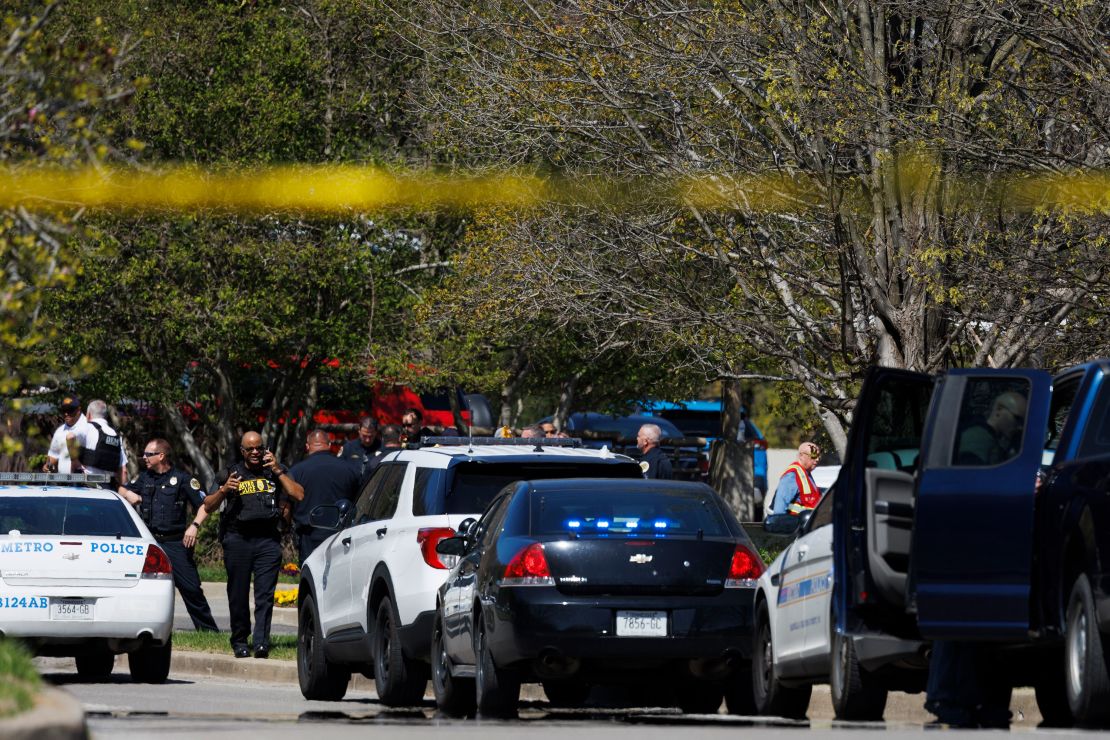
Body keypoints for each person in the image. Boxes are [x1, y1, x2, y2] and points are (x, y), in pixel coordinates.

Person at [203, 431, 304, 658]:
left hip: (268, 540)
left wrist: (278, 470)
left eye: (259, 447)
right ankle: (239, 640)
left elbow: (298, 494)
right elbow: (208, 506)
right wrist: (224, 490)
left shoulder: (275, 471)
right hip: (238, 539)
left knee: (265, 596)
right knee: (237, 594)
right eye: (251, 449)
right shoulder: (230, 472)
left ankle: (261, 643)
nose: (256, 452)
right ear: (243, 451)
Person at [119, 438, 218, 632]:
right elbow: (120, 488)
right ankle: (142, 629)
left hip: (175, 542)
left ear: (161, 456)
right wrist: (128, 494)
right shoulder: (144, 478)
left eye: (148, 454)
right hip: (150, 542)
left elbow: (206, 505)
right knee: (142, 588)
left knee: (191, 588)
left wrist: (195, 526)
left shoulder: (182, 479)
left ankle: (208, 630)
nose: (144, 458)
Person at [290, 429, 361, 563]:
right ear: (329, 445)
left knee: (310, 578)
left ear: (307, 446)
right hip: (341, 534)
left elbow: (288, 502)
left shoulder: (297, 471)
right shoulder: (350, 469)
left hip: (309, 534)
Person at [956, 390, 1027, 465]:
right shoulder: (978, 437)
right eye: (1017, 419)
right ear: (999, 409)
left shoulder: (991, 439)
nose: (1020, 427)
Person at [76, 399, 129, 489]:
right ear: (105, 416)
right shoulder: (115, 435)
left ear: (88, 415)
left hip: (85, 486)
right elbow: (123, 472)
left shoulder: (84, 429)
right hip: (108, 488)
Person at [769, 442, 821, 516]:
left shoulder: (806, 473)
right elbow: (779, 510)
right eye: (814, 455)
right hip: (796, 525)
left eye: (819, 456)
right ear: (801, 456)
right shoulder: (792, 475)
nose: (817, 459)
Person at [44, 396, 88, 474]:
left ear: (78, 410)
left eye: (70, 410)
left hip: (83, 481)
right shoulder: (59, 431)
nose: (66, 413)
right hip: (63, 483)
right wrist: (48, 465)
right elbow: (53, 456)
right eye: (64, 410)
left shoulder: (88, 427)